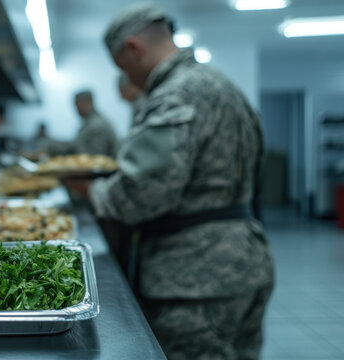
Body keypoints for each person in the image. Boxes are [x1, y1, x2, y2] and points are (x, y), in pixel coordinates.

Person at [67, 3, 275, 360]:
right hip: (245, 259)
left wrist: (92, 191)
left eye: (124, 69)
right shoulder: (221, 84)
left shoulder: (175, 95)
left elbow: (140, 194)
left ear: (133, 48)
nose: (129, 81)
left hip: (195, 276)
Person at [47, 90, 118, 157]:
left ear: (90, 102)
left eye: (78, 106)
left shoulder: (97, 125)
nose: (77, 110)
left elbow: (92, 158)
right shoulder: (90, 122)